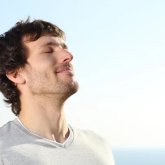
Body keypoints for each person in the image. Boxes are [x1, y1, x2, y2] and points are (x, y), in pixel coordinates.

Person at [0, 18, 115, 165]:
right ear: (16, 74)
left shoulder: (99, 146)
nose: (68, 55)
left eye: (64, 48)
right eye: (48, 50)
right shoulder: (4, 151)